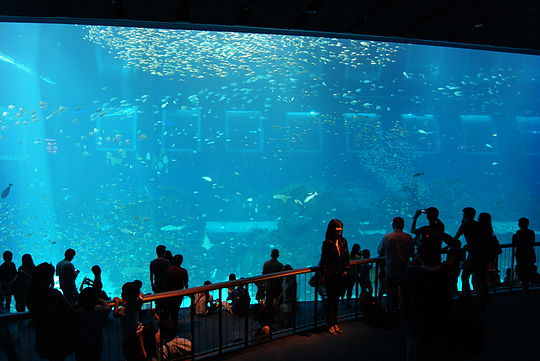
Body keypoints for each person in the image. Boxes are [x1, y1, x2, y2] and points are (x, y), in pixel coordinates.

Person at [406, 238, 456, 361]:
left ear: (420, 256)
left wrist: (417, 255)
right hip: (442, 320)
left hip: (420, 321)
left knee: (416, 351)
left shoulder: (413, 273)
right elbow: (455, 246)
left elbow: (410, 266)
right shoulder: (447, 273)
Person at [27, 262, 76, 361]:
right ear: (48, 278)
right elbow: (71, 311)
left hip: (42, 339)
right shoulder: (54, 294)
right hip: (58, 339)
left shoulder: (30, 296)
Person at [378, 217, 414, 318]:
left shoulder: (387, 237)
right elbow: (412, 252)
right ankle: (405, 314)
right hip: (404, 270)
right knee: (405, 294)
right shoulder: (408, 237)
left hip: (391, 270)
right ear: (403, 225)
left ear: (393, 225)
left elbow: (380, 250)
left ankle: (393, 315)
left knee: (391, 294)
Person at [319, 219, 350, 335]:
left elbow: (346, 256)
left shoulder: (343, 241)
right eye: (337, 230)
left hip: (340, 276)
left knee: (336, 301)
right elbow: (324, 260)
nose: (339, 232)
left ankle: (336, 322)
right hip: (331, 276)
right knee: (330, 301)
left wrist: (346, 270)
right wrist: (326, 273)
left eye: (341, 230)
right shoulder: (327, 243)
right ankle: (330, 324)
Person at [455, 207, 489, 303]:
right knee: (480, 276)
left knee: (464, 276)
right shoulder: (479, 225)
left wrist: (446, 248)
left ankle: (468, 297)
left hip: (473, 255)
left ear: (465, 215)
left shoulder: (465, 225)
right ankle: (484, 297)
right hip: (482, 254)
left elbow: (456, 238)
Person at [74, 287, 111, 361]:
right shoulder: (99, 310)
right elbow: (107, 308)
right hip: (96, 344)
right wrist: (102, 300)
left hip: (81, 346)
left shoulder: (77, 314)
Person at [113, 282, 145, 361]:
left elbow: (116, 314)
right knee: (139, 354)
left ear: (127, 295)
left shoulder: (125, 309)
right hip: (137, 332)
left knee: (130, 355)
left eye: (123, 292)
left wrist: (116, 303)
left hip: (129, 337)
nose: (121, 293)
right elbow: (140, 294)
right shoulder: (136, 303)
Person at [512, 217, 536, 295]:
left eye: (519, 223)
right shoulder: (531, 232)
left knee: (522, 271)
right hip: (530, 254)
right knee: (528, 270)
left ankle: (525, 289)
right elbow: (532, 242)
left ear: (521, 224)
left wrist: (514, 237)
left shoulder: (518, 233)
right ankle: (526, 288)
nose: (518, 224)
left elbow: (515, 243)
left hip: (521, 255)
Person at [164, 254, 188, 324]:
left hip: (169, 293)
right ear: (181, 261)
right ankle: (174, 325)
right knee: (175, 310)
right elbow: (186, 283)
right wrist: (187, 291)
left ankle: (168, 326)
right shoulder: (183, 271)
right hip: (179, 293)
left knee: (168, 310)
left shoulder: (168, 270)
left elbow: (166, 281)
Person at [262, 248, 284, 323]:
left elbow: (263, 275)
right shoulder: (280, 265)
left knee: (268, 302)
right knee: (277, 303)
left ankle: (268, 318)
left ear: (271, 255)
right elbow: (281, 278)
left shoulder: (266, 263)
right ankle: (279, 318)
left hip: (268, 286)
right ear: (278, 255)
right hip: (277, 287)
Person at [150, 245, 171, 318]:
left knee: (157, 302)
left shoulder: (152, 262)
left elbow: (151, 275)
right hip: (165, 285)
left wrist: (152, 284)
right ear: (164, 253)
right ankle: (165, 318)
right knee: (165, 302)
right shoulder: (167, 262)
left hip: (157, 284)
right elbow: (169, 274)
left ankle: (158, 317)